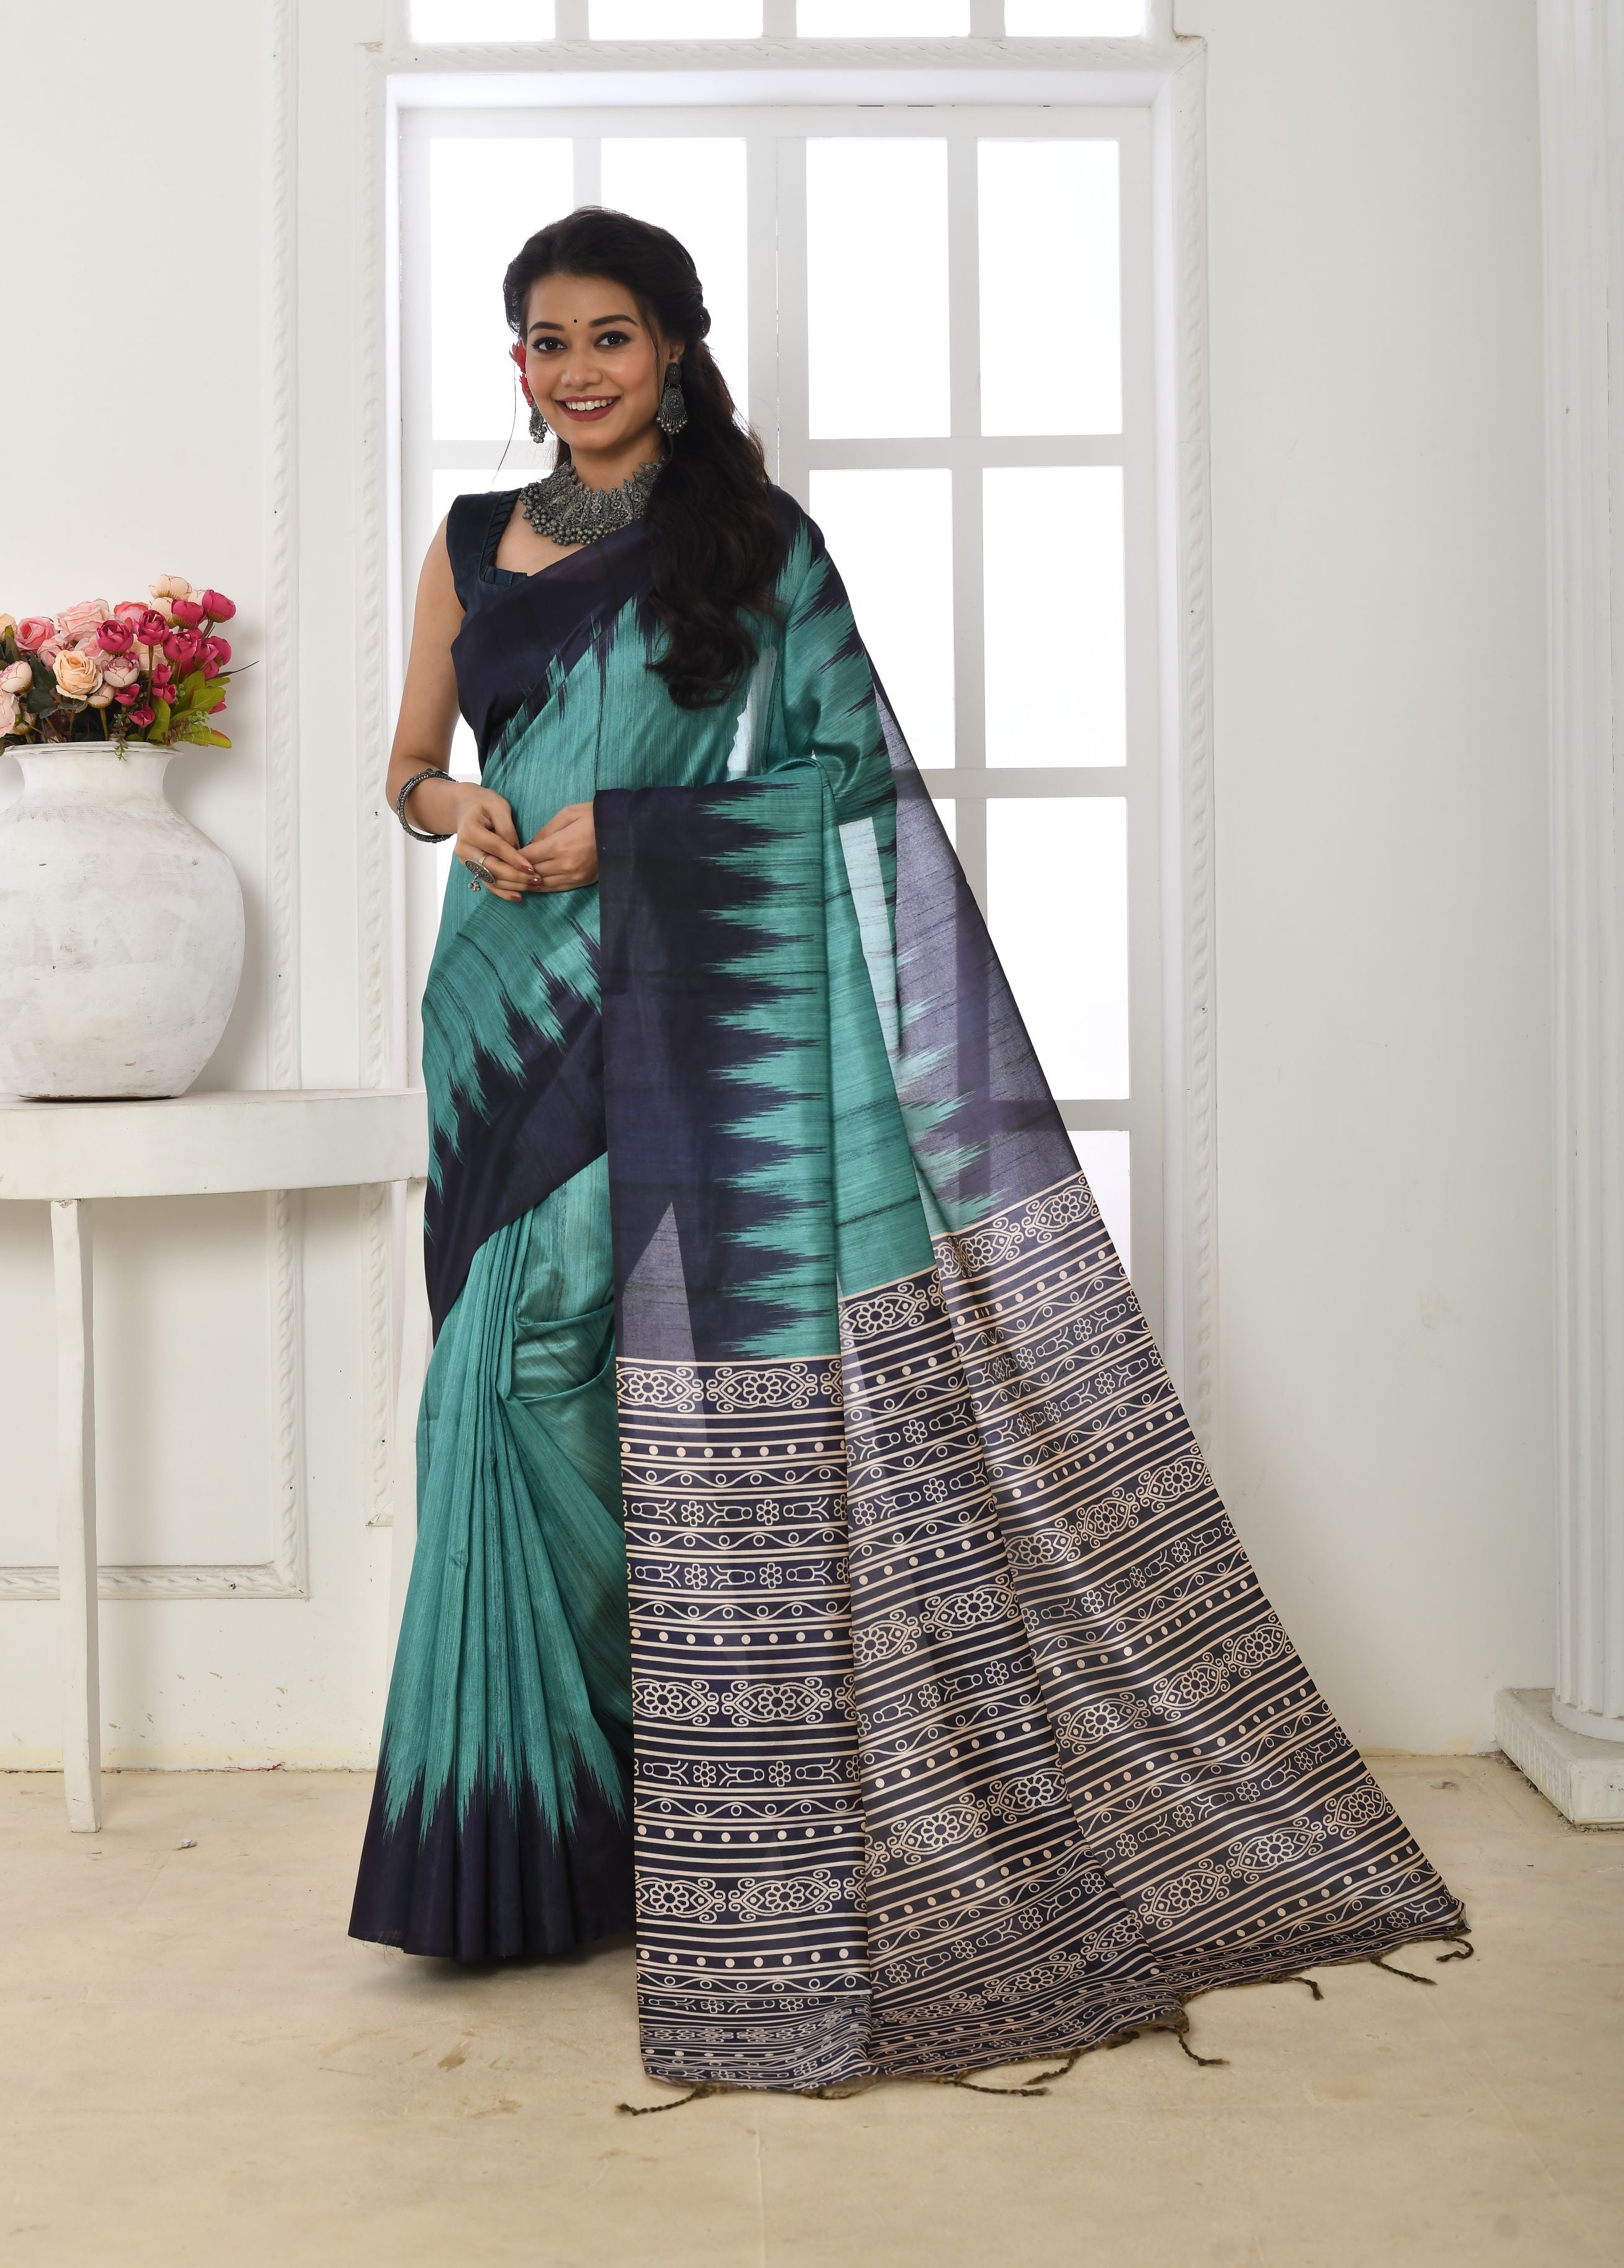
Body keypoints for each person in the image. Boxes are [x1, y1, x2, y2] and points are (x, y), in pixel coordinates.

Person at [351, 206, 1464, 2093]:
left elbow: (843, 772)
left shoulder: (758, 544)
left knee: (627, 1374)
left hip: (684, 992)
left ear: (677, 347)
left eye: (612, 333)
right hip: (499, 997)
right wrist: (458, 804)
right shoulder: (473, 538)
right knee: (503, 1379)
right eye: (546, 339)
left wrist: (632, 832)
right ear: (515, 363)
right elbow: (405, 764)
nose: (578, 368)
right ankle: (540, 1834)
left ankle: (686, 1790)